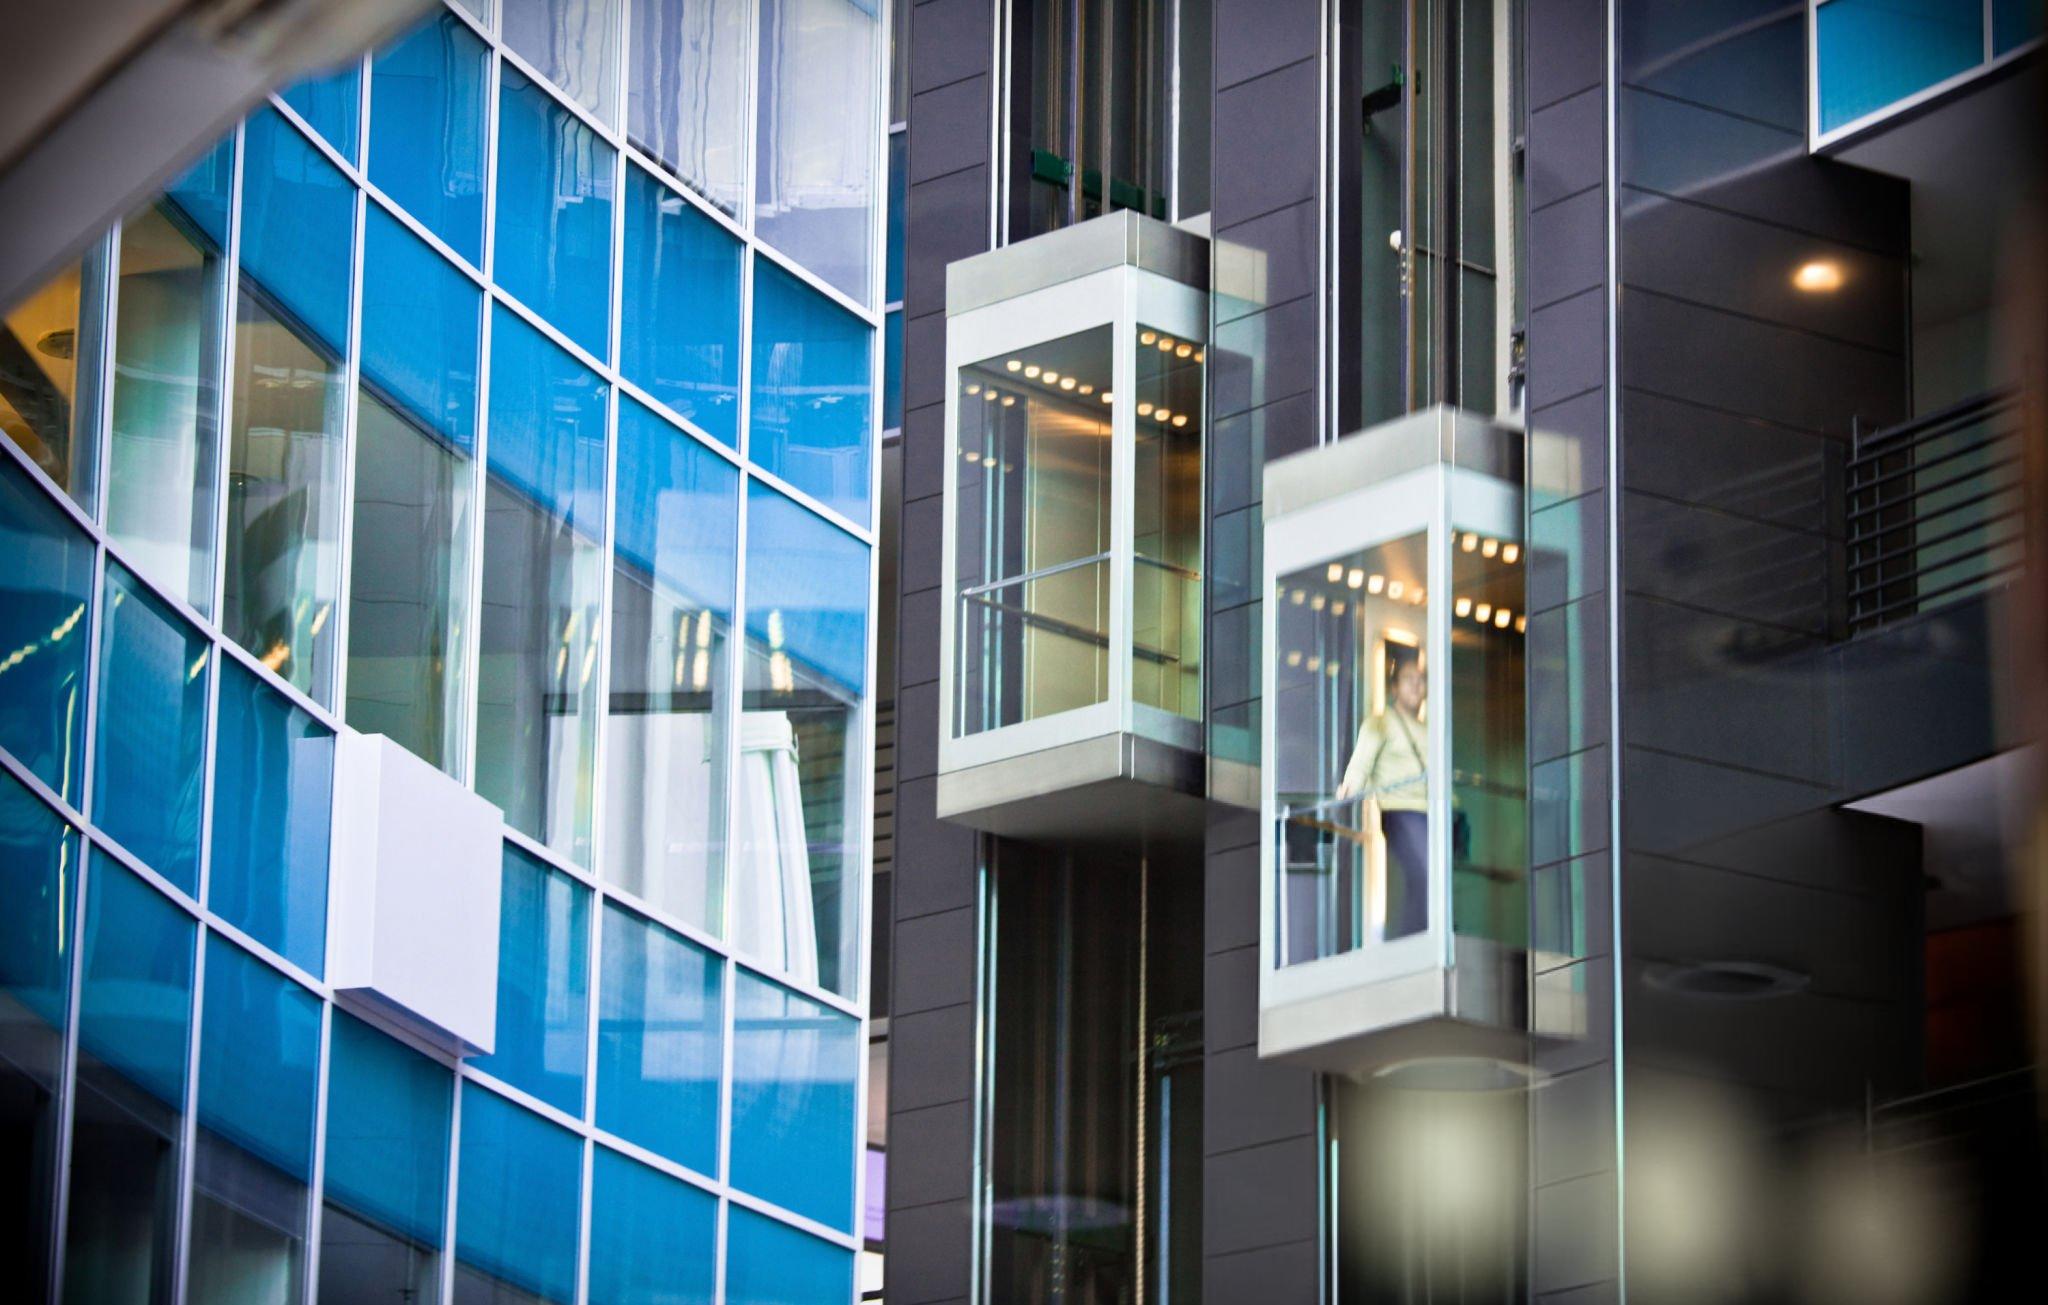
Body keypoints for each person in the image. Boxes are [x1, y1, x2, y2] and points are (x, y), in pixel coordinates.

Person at [1336, 654, 1429, 939]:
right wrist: (1349, 788)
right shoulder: (1381, 722)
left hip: (1430, 812)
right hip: (1400, 809)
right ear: (1394, 688)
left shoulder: (1429, 729)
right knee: (1425, 875)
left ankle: (1421, 935)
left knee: (1430, 879)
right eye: (1408, 680)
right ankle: (1413, 940)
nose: (1415, 686)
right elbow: (1362, 760)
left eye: (1420, 680)